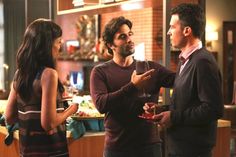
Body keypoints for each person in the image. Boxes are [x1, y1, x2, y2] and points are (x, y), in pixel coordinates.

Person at [90, 16, 175, 157]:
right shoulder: (100, 72)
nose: (129, 39)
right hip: (117, 149)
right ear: (111, 45)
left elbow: (183, 82)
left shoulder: (150, 68)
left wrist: (166, 108)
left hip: (150, 147)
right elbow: (101, 104)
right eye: (122, 36)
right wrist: (133, 86)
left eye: (129, 34)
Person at [145, 3, 223, 157]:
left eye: (172, 27)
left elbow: (213, 109)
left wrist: (173, 116)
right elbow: (188, 102)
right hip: (177, 148)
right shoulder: (184, 60)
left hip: (193, 151)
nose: (168, 32)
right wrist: (163, 110)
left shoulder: (203, 62)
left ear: (187, 30)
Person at [4, 18, 78, 157]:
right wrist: (71, 109)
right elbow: (48, 123)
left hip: (27, 151)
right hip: (49, 151)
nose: (59, 47)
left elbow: (9, 116)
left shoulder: (20, 73)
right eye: (58, 42)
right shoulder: (49, 74)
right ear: (47, 45)